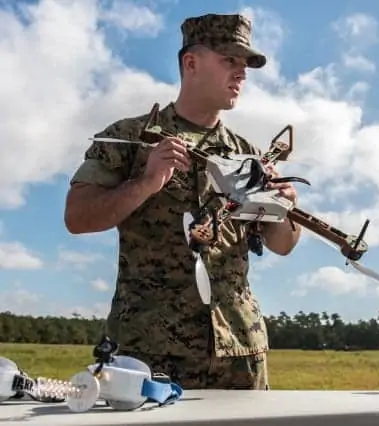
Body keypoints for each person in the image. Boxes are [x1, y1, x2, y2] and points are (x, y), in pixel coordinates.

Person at [64, 13, 301, 390]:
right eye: (229, 60)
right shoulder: (131, 138)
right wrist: (146, 183)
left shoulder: (250, 156)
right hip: (150, 351)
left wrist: (285, 208)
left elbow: (281, 245)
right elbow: (77, 217)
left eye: (245, 65)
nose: (241, 74)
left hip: (240, 348)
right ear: (191, 63)